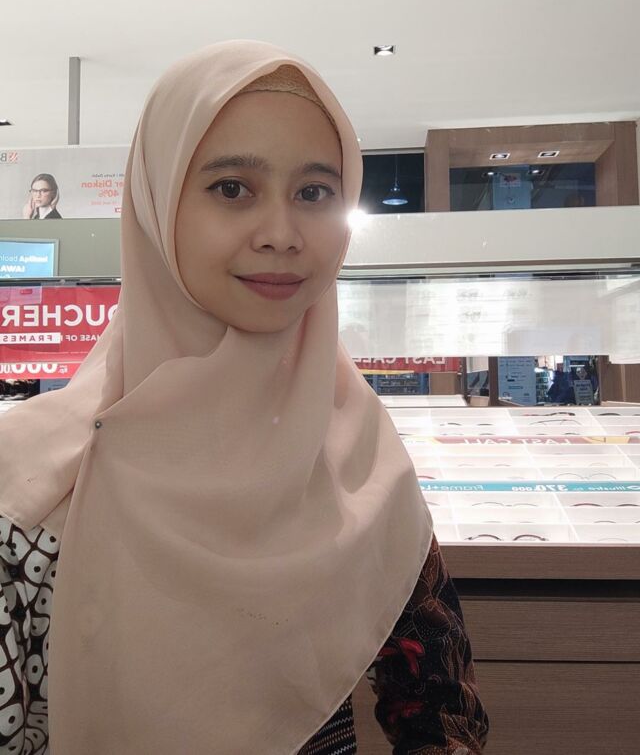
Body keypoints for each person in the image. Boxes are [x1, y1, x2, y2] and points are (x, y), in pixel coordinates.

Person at [0, 41, 489, 754]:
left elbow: (442, 716)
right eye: (232, 188)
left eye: (314, 193)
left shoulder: (356, 452)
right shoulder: (31, 490)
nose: (282, 235)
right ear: (158, 205)